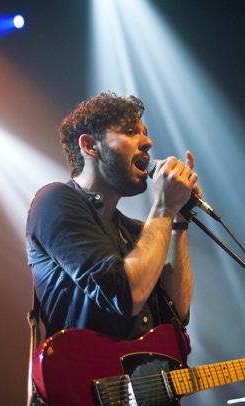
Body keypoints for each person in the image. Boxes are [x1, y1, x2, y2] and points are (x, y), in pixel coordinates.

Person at [25, 91, 199, 341]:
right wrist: (163, 208)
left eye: (145, 134)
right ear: (90, 146)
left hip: (147, 379)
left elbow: (177, 312)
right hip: (89, 377)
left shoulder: (137, 233)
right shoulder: (54, 201)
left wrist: (178, 220)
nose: (147, 143)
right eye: (130, 131)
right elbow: (127, 296)